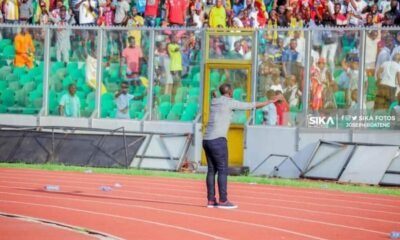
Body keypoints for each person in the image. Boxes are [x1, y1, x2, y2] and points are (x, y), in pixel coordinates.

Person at [203, 83, 277, 209]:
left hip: (206, 140)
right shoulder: (229, 102)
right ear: (230, 92)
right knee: (222, 170)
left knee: (211, 171)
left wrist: (216, 93)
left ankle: (211, 200)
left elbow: (215, 94)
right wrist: (269, 101)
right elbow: (251, 106)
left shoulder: (214, 101)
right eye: (232, 91)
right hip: (218, 140)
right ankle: (223, 200)